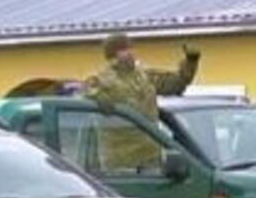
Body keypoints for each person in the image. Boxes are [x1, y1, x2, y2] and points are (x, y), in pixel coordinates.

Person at [82, 33, 199, 171]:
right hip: (120, 162)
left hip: (151, 157)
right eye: (124, 49)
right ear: (113, 54)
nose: (131, 52)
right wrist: (101, 98)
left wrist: (190, 62)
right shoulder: (101, 80)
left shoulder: (144, 75)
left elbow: (175, 84)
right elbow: (87, 95)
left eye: (131, 48)